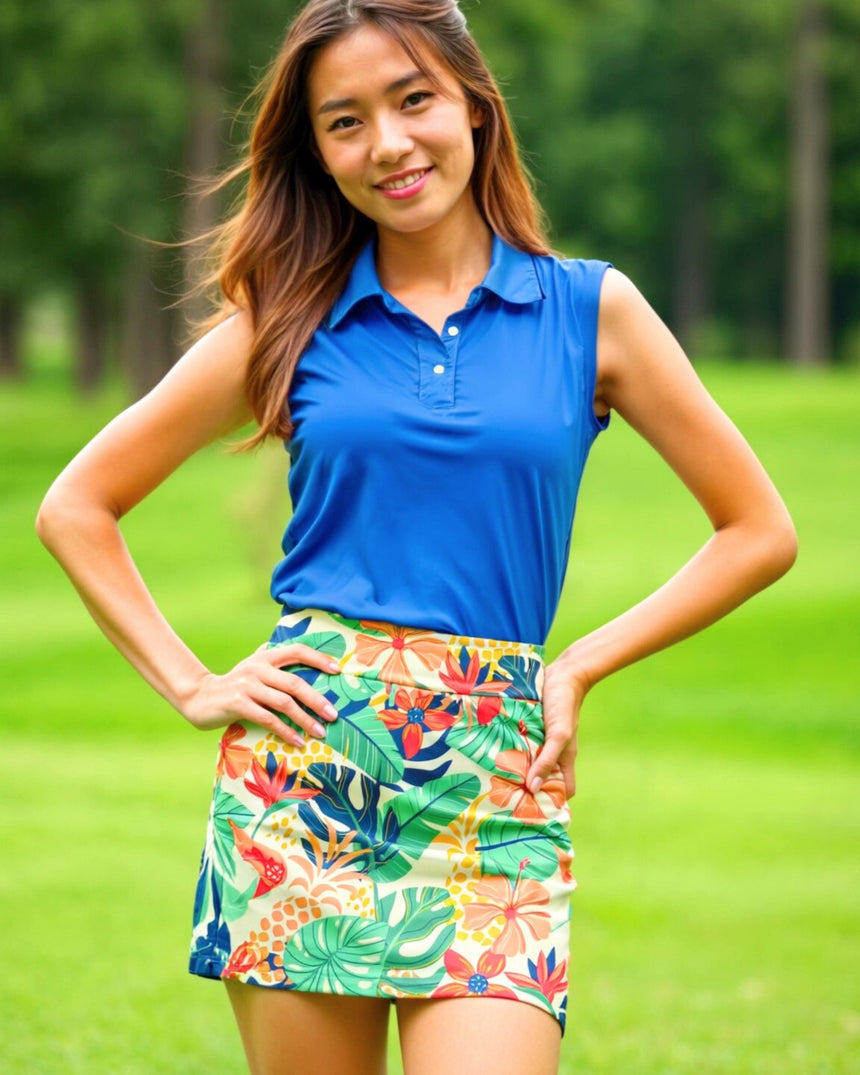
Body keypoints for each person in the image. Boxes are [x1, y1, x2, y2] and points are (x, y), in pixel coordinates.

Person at [35, 1, 797, 1073]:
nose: (386, 144)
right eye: (343, 122)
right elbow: (76, 506)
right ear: (319, 152)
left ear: (474, 108)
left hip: (495, 779)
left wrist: (577, 663)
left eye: (412, 100)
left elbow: (757, 529)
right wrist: (191, 683)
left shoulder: (591, 312)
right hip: (307, 777)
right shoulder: (285, 317)